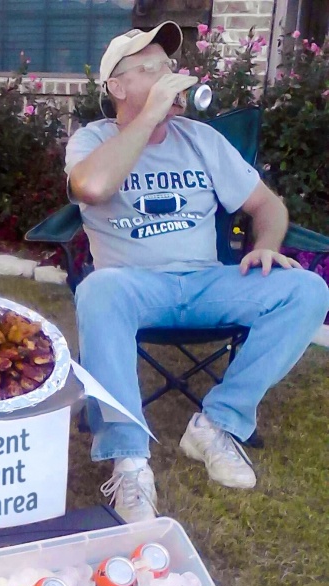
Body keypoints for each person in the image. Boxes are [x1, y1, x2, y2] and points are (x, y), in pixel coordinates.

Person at [65, 21, 329, 523]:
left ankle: (216, 424)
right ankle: (129, 461)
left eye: (169, 67)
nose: (170, 76)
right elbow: (92, 188)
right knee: (97, 291)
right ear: (117, 88)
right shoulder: (91, 140)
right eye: (150, 70)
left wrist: (266, 247)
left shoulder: (202, 139)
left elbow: (267, 205)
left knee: (307, 289)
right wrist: (150, 117)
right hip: (131, 285)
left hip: (207, 282)